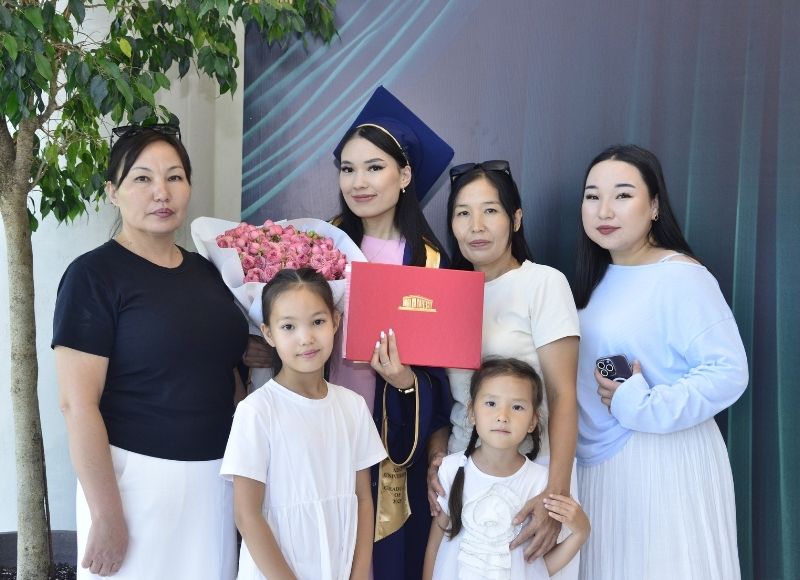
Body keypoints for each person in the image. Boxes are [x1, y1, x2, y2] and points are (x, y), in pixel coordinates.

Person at [53, 124, 249, 579]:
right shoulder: (92, 277)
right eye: (142, 178)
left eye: (174, 177)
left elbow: (219, 366)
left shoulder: (209, 273)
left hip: (215, 480)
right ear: (112, 192)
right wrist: (106, 515)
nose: (162, 192)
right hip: (134, 483)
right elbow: (77, 404)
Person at [574, 144, 748, 579]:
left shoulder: (680, 275)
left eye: (623, 195)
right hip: (601, 465)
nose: (604, 210)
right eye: (593, 196)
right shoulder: (594, 279)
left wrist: (642, 405)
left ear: (654, 206)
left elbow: (728, 371)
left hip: (663, 463)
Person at [429, 160, 581, 573]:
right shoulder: (443, 294)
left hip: (533, 477)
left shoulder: (543, 283)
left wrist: (554, 496)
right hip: (465, 479)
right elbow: (444, 396)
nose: (475, 226)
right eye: (463, 213)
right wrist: (439, 458)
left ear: (515, 219)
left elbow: (564, 395)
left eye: (490, 211)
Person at [329, 86, 455, 580]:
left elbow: (442, 378)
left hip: (387, 438)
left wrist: (405, 381)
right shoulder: (321, 244)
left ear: (404, 176)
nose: (358, 182)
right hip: (322, 425)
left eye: (374, 167)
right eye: (348, 169)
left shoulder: (429, 262)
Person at [220, 268, 386, 579]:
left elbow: (364, 500)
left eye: (318, 322)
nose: (306, 338)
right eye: (288, 326)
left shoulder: (352, 407)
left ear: (336, 321)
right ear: (268, 333)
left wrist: (360, 573)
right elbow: (246, 514)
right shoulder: (256, 411)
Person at [423, 358, 589, 579]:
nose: (503, 416)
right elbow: (434, 548)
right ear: (472, 412)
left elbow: (538, 568)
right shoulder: (451, 469)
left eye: (517, 407)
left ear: (533, 421)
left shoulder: (540, 482)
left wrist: (581, 532)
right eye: (491, 403)